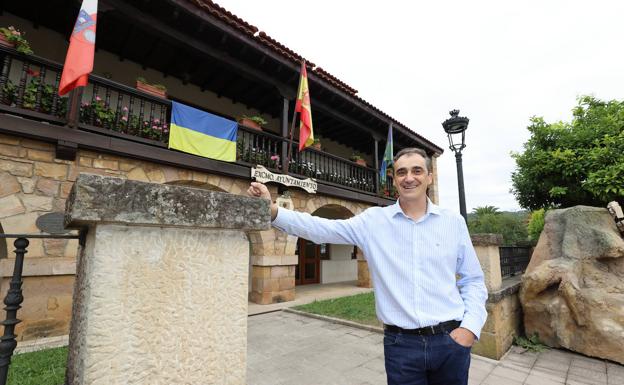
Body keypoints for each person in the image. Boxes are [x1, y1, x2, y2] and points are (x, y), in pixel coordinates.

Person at [247, 147, 487, 385]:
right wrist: (274, 211)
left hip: (450, 342)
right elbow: (322, 229)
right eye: (402, 172)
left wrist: (470, 328)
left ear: (429, 177)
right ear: (394, 179)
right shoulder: (374, 221)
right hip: (401, 346)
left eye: (417, 170)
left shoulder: (453, 223)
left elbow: (473, 280)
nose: (409, 178)